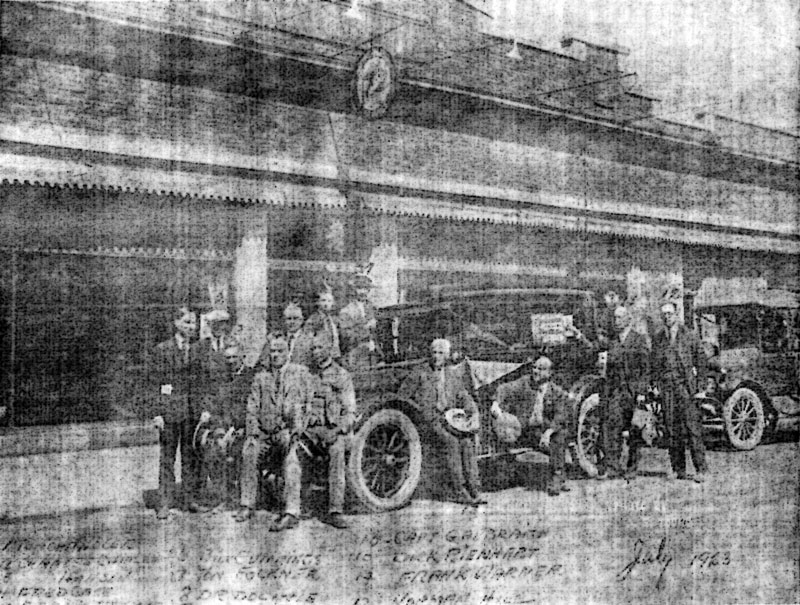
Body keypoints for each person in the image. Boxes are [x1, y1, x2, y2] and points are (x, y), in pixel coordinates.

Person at [235, 336, 311, 530]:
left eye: (280, 351)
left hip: (288, 433)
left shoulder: (300, 374)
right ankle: (247, 504)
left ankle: (292, 512)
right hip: (264, 433)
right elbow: (252, 408)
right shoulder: (261, 377)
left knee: (292, 461)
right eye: (272, 351)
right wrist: (253, 433)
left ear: (288, 352)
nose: (275, 355)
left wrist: (295, 431)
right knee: (249, 452)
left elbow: (309, 406)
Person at [399, 339, 485, 506]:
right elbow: (403, 397)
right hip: (428, 420)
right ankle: (459, 490)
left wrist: (473, 412)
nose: (436, 356)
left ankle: (474, 489)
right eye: (434, 353)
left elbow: (464, 396)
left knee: (467, 442)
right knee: (452, 442)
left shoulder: (453, 374)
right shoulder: (419, 372)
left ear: (447, 356)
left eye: (440, 353)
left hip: (451, 419)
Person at [151, 303, 207, 519]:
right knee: (167, 458)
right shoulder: (162, 350)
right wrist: (157, 413)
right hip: (169, 413)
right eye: (187, 322)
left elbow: (201, 383)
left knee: (189, 457)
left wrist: (203, 409)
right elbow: (154, 383)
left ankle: (189, 499)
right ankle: (164, 502)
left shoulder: (198, 349)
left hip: (191, 412)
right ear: (176, 323)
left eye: (193, 322)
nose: (191, 326)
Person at [492, 356, 570, 496]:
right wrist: (496, 403)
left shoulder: (557, 392)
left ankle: (557, 477)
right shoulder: (525, 382)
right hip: (526, 428)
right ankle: (507, 473)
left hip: (545, 430)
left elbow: (560, 417)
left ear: (549, 373)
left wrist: (548, 433)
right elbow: (504, 388)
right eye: (534, 367)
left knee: (559, 437)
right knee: (503, 430)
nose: (536, 371)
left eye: (541, 369)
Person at [651, 302, 709, 483]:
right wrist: (654, 385)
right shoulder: (659, 338)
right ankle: (678, 469)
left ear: (677, 314)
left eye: (670, 313)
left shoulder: (689, 335)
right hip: (667, 389)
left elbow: (701, 362)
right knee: (671, 430)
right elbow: (654, 365)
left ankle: (701, 469)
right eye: (664, 314)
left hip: (686, 389)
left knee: (693, 429)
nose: (667, 317)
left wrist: (700, 388)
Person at [305, 335, 356, 528]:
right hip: (311, 429)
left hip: (334, 430)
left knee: (336, 452)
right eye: (313, 348)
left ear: (328, 350)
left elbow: (350, 412)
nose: (315, 352)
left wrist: (337, 430)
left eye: (319, 348)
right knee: (294, 449)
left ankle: (335, 509)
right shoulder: (308, 375)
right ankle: (296, 506)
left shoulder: (342, 375)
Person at [599, 306, 650, 480]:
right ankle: (613, 467)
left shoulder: (638, 339)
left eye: (620, 317)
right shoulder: (613, 341)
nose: (617, 321)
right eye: (615, 318)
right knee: (613, 429)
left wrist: (642, 392)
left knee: (634, 430)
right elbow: (596, 348)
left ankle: (632, 467)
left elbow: (645, 368)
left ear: (628, 319)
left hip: (633, 392)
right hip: (615, 392)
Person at [202, 343, 253, 511]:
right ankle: (224, 497)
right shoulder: (222, 380)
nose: (231, 361)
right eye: (227, 358)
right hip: (225, 429)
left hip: (246, 429)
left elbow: (255, 408)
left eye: (234, 357)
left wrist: (241, 429)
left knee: (236, 453)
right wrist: (219, 430)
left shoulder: (251, 377)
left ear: (242, 357)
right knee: (212, 450)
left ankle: (240, 498)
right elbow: (216, 407)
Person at [339, 273, 380, 369]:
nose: (363, 292)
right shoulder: (346, 311)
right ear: (353, 290)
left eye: (366, 288)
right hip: (355, 353)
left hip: (373, 353)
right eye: (359, 288)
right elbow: (346, 335)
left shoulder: (373, 308)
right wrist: (365, 328)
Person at [257, 302, 312, 368]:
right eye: (289, 319)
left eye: (295, 318)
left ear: (301, 320)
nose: (292, 322)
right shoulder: (273, 338)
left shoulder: (309, 340)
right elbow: (264, 361)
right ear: (284, 320)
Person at [304, 286, 342, 361]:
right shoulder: (313, 319)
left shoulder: (333, 319)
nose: (326, 304)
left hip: (333, 356)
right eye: (323, 300)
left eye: (329, 301)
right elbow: (308, 339)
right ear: (318, 302)